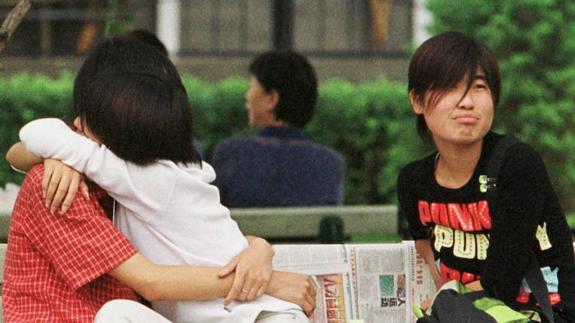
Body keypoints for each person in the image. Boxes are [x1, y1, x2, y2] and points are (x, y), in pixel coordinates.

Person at [7, 37, 314, 322]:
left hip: (255, 316)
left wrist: (259, 248)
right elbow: (151, 281)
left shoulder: (141, 175)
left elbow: (39, 137)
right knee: (117, 315)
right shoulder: (66, 182)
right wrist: (266, 278)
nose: (75, 126)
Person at [397, 31, 575, 321]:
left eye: (478, 87)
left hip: (544, 313)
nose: (467, 102)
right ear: (417, 100)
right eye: (450, 87)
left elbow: (500, 284)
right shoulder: (413, 182)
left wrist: (447, 305)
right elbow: (425, 246)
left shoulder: (517, 164)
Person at [211, 50, 345, 208]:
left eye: (251, 86)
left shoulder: (231, 154)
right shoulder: (330, 164)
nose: (247, 96)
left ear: (271, 99)